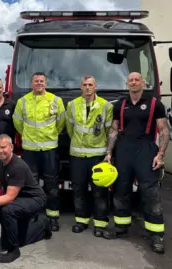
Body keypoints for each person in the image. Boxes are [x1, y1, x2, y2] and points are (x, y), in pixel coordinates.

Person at [103, 72, 169, 254]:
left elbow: (163, 130)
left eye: (136, 80)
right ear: (127, 84)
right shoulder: (120, 105)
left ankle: (156, 235)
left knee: (150, 192)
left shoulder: (154, 104)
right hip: (124, 149)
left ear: (142, 83)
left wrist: (160, 154)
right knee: (120, 189)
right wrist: (109, 152)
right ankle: (120, 228)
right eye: (130, 80)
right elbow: (114, 130)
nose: (133, 82)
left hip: (146, 149)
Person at [0, 134, 52, 264]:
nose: (0, 151)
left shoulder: (17, 166)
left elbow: (9, 197)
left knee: (8, 210)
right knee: (6, 240)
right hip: (19, 199)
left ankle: (15, 249)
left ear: (11, 147)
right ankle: (33, 228)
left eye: (3, 147)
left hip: (34, 199)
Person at [12, 72, 65, 231]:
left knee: (52, 184)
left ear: (46, 84)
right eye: (36, 81)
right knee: (30, 185)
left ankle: (53, 217)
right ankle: (32, 215)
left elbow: (60, 123)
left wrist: (50, 137)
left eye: (42, 81)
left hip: (49, 150)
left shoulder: (56, 100)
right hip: (30, 151)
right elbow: (18, 123)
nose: (39, 83)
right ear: (31, 83)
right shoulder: (22, 102)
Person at [65, 75, 113, 236]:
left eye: (90, 84)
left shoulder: (106, 106)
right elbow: (69, 129)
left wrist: (107, 152)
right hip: (77, 155)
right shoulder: (71, 105)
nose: (87, 87)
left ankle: (100, 223)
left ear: (95, 86)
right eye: (84, 84)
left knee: (99, 191)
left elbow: (109, 131)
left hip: (97, 155)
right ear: (81, 87)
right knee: (78, 190)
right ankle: (81, 221)